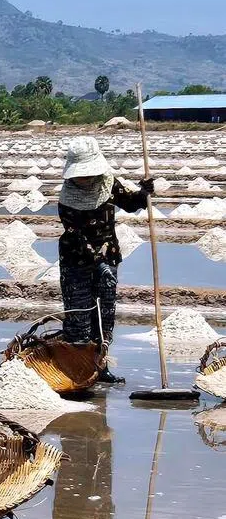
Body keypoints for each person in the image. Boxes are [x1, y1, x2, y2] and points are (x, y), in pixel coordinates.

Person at [57, 137, 153, 384]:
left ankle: (100, 368)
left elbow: (131, 204)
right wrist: (97, 263)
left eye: (89, 173)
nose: (85, 179)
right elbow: (75, 235)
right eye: (81, 174)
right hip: (76, 260)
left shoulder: (109, 184)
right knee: (80, 313)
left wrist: (144, 193)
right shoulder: (67, 199)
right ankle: (77, 369)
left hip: (109, 254)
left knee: (104, 312)